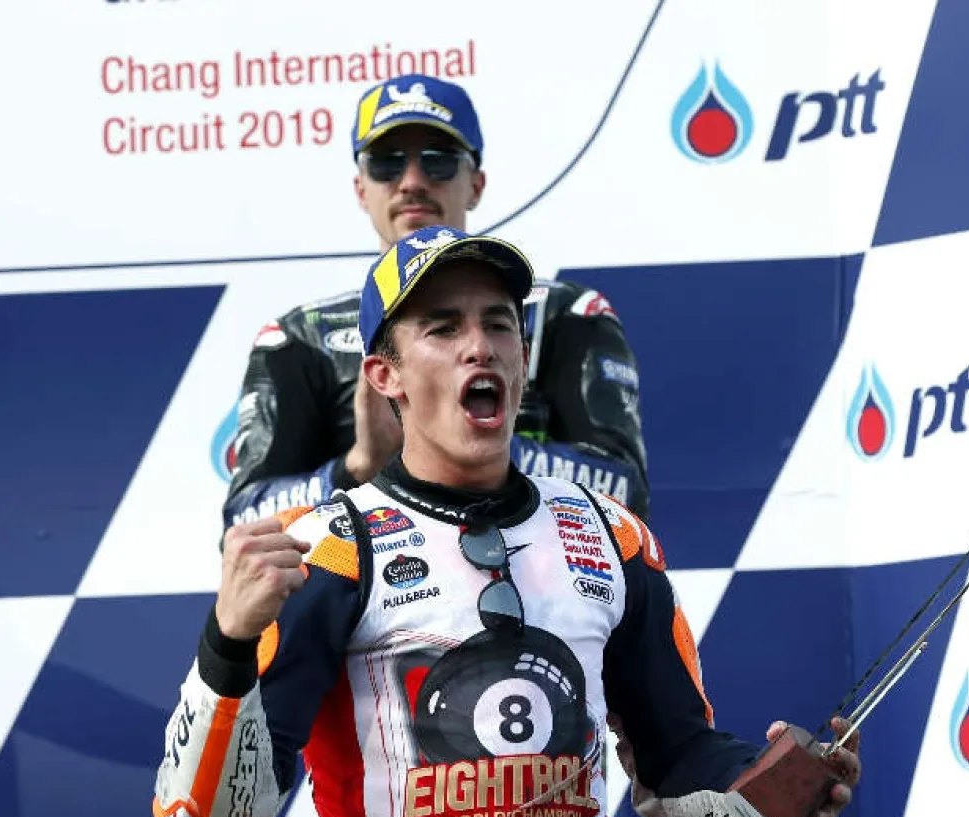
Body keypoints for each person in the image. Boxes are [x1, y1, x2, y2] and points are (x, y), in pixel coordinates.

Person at [153, 226, 861, 817]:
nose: (479, 344)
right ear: (384, 375)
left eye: (498, 324)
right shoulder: (330, 548)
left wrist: (775, 793)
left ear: (522, 358)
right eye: (442, 328)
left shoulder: (611, 534)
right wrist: (228, 642)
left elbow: (677, 767)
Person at [221, 73, 649, 533]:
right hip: (366, 575)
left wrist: (458, 440)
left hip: (535, 569)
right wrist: (359, 466)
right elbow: (245, 522)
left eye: (438, 161)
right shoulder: (302, 337)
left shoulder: (564, 313)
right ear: (361, 189)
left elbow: (624, 494)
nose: (411, 182)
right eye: (386, 163)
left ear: (476, 184)